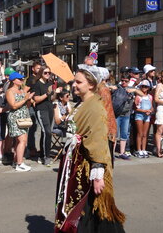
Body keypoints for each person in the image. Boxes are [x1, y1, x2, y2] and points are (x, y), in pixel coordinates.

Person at [55, 67, 125, 232]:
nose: (74, 85)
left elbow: (98, 139)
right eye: (74, 82)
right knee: (86, 209)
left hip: (86, 165)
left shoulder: (95, 107)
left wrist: (98, 172)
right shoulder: (83, 103)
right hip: (75, 161)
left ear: (92, 85)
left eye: (79, 82)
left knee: (89, 208)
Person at [6, 72, 34, 172]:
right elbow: (13, 105)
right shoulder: (10, 91)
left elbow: (27, 106)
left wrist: (29, 100)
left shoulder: (22, 91)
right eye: (19, 79)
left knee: (19, 141)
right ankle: (20, 163)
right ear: (14, 80)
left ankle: (16, 160)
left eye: (22, 79)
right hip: (15, 117)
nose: (22, 81)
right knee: (22, 140)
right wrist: (25, 99)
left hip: (24, 117)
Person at [33, 66, 60, 166]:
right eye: (45, 73)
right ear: (41, 73)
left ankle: (41, 154)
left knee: (46, 132)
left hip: (49, 109)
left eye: (49, 73)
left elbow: (52, 98)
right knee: (47, 132)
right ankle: (46, 156)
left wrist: (55, 93)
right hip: (41, 109)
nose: (48, 74)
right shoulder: (37, 84)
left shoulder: (49, 83)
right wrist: (47, 93)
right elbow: (36, 99)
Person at [25, 61, 41, 158]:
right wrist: (30, 99)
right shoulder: (31, 79)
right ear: (33, 69)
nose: (39, 70)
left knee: (36, 128)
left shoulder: (40, 79)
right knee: (31, 128)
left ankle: (34, 147)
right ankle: (31, 148)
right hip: (31, 106)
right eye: (38, 68)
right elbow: (25, 91)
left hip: (39, 106)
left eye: (40, 68)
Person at [134, 80, 153, 158]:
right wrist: (144, 111)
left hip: (147, 116)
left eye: (146, 86)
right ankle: (139, 150)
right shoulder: (138, 97)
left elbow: (152, 107)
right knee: (140, 133)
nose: (144, 88)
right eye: (142, 86)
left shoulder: (150, 97)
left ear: (148, 88)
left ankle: (144, 149)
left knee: (145, 134)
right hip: (139, 116)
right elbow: (135, 108)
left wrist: (150, 111)